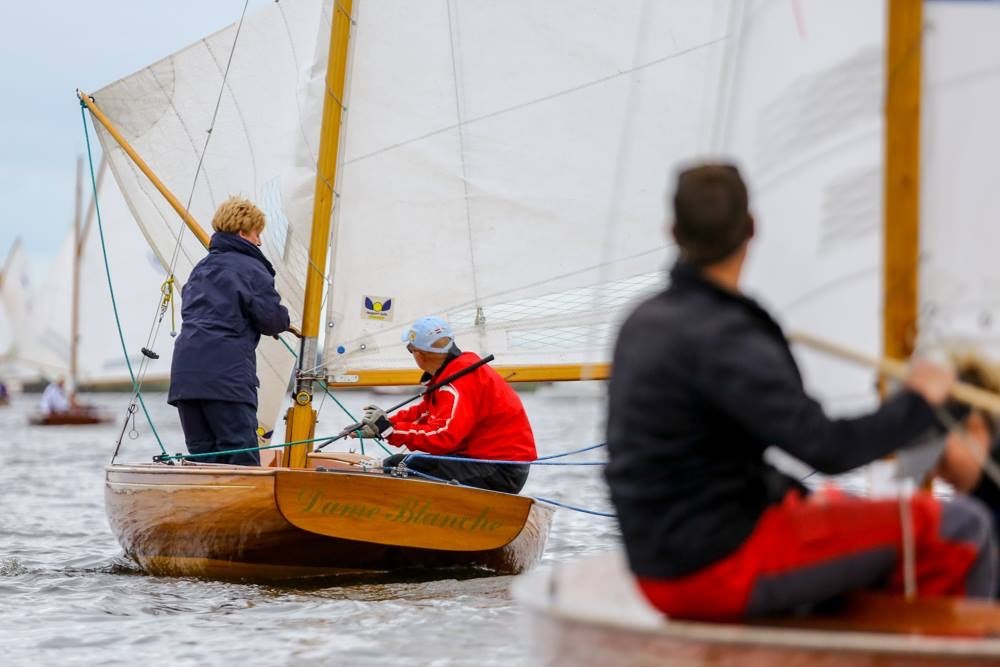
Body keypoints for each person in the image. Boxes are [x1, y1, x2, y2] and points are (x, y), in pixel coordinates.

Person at [605, 163, 997, 621]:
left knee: (830, 504)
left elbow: (709, 455)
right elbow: (827, 448)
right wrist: (921, 401)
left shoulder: (639, 324)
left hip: (654, 570)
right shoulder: (729, 336)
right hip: (718, 568)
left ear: (673, 232)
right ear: (751, 228)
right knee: (961, 527)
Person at [167, 196, 292, 466]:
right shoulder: (251, 268)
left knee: (203, 458)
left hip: (185, 378)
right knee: (240, 456)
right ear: (243, 233)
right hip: (226, 378)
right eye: (257, 234)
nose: (260, 242)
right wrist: (285, 319)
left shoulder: (200, 269)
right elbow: (272, 320)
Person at [351, 315, 536, 493]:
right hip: (495, 465)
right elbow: (424, 413)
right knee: (402, 463)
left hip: (499, 470)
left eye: (410, 349)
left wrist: (390, 431)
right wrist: (384, 424)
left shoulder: (457, 384)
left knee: (398, 465)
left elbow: (444, 437)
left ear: (419, 355)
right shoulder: (457, 373)